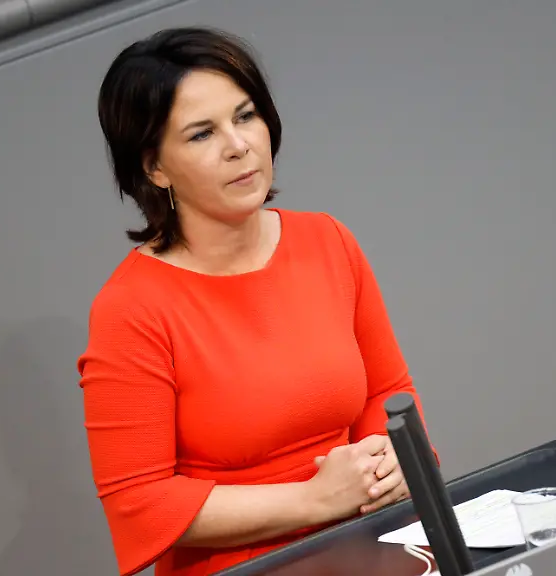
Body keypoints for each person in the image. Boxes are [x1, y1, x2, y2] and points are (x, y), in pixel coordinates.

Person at [77, 27, 437, 576]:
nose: (238, 145)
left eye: (245, 116)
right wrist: (315, 500)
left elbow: (387, 393)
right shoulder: (130, 309)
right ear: (154, 166)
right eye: (202, 133)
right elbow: (139, 502)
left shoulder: (327, 240)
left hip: (374, 543)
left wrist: (396, 462)